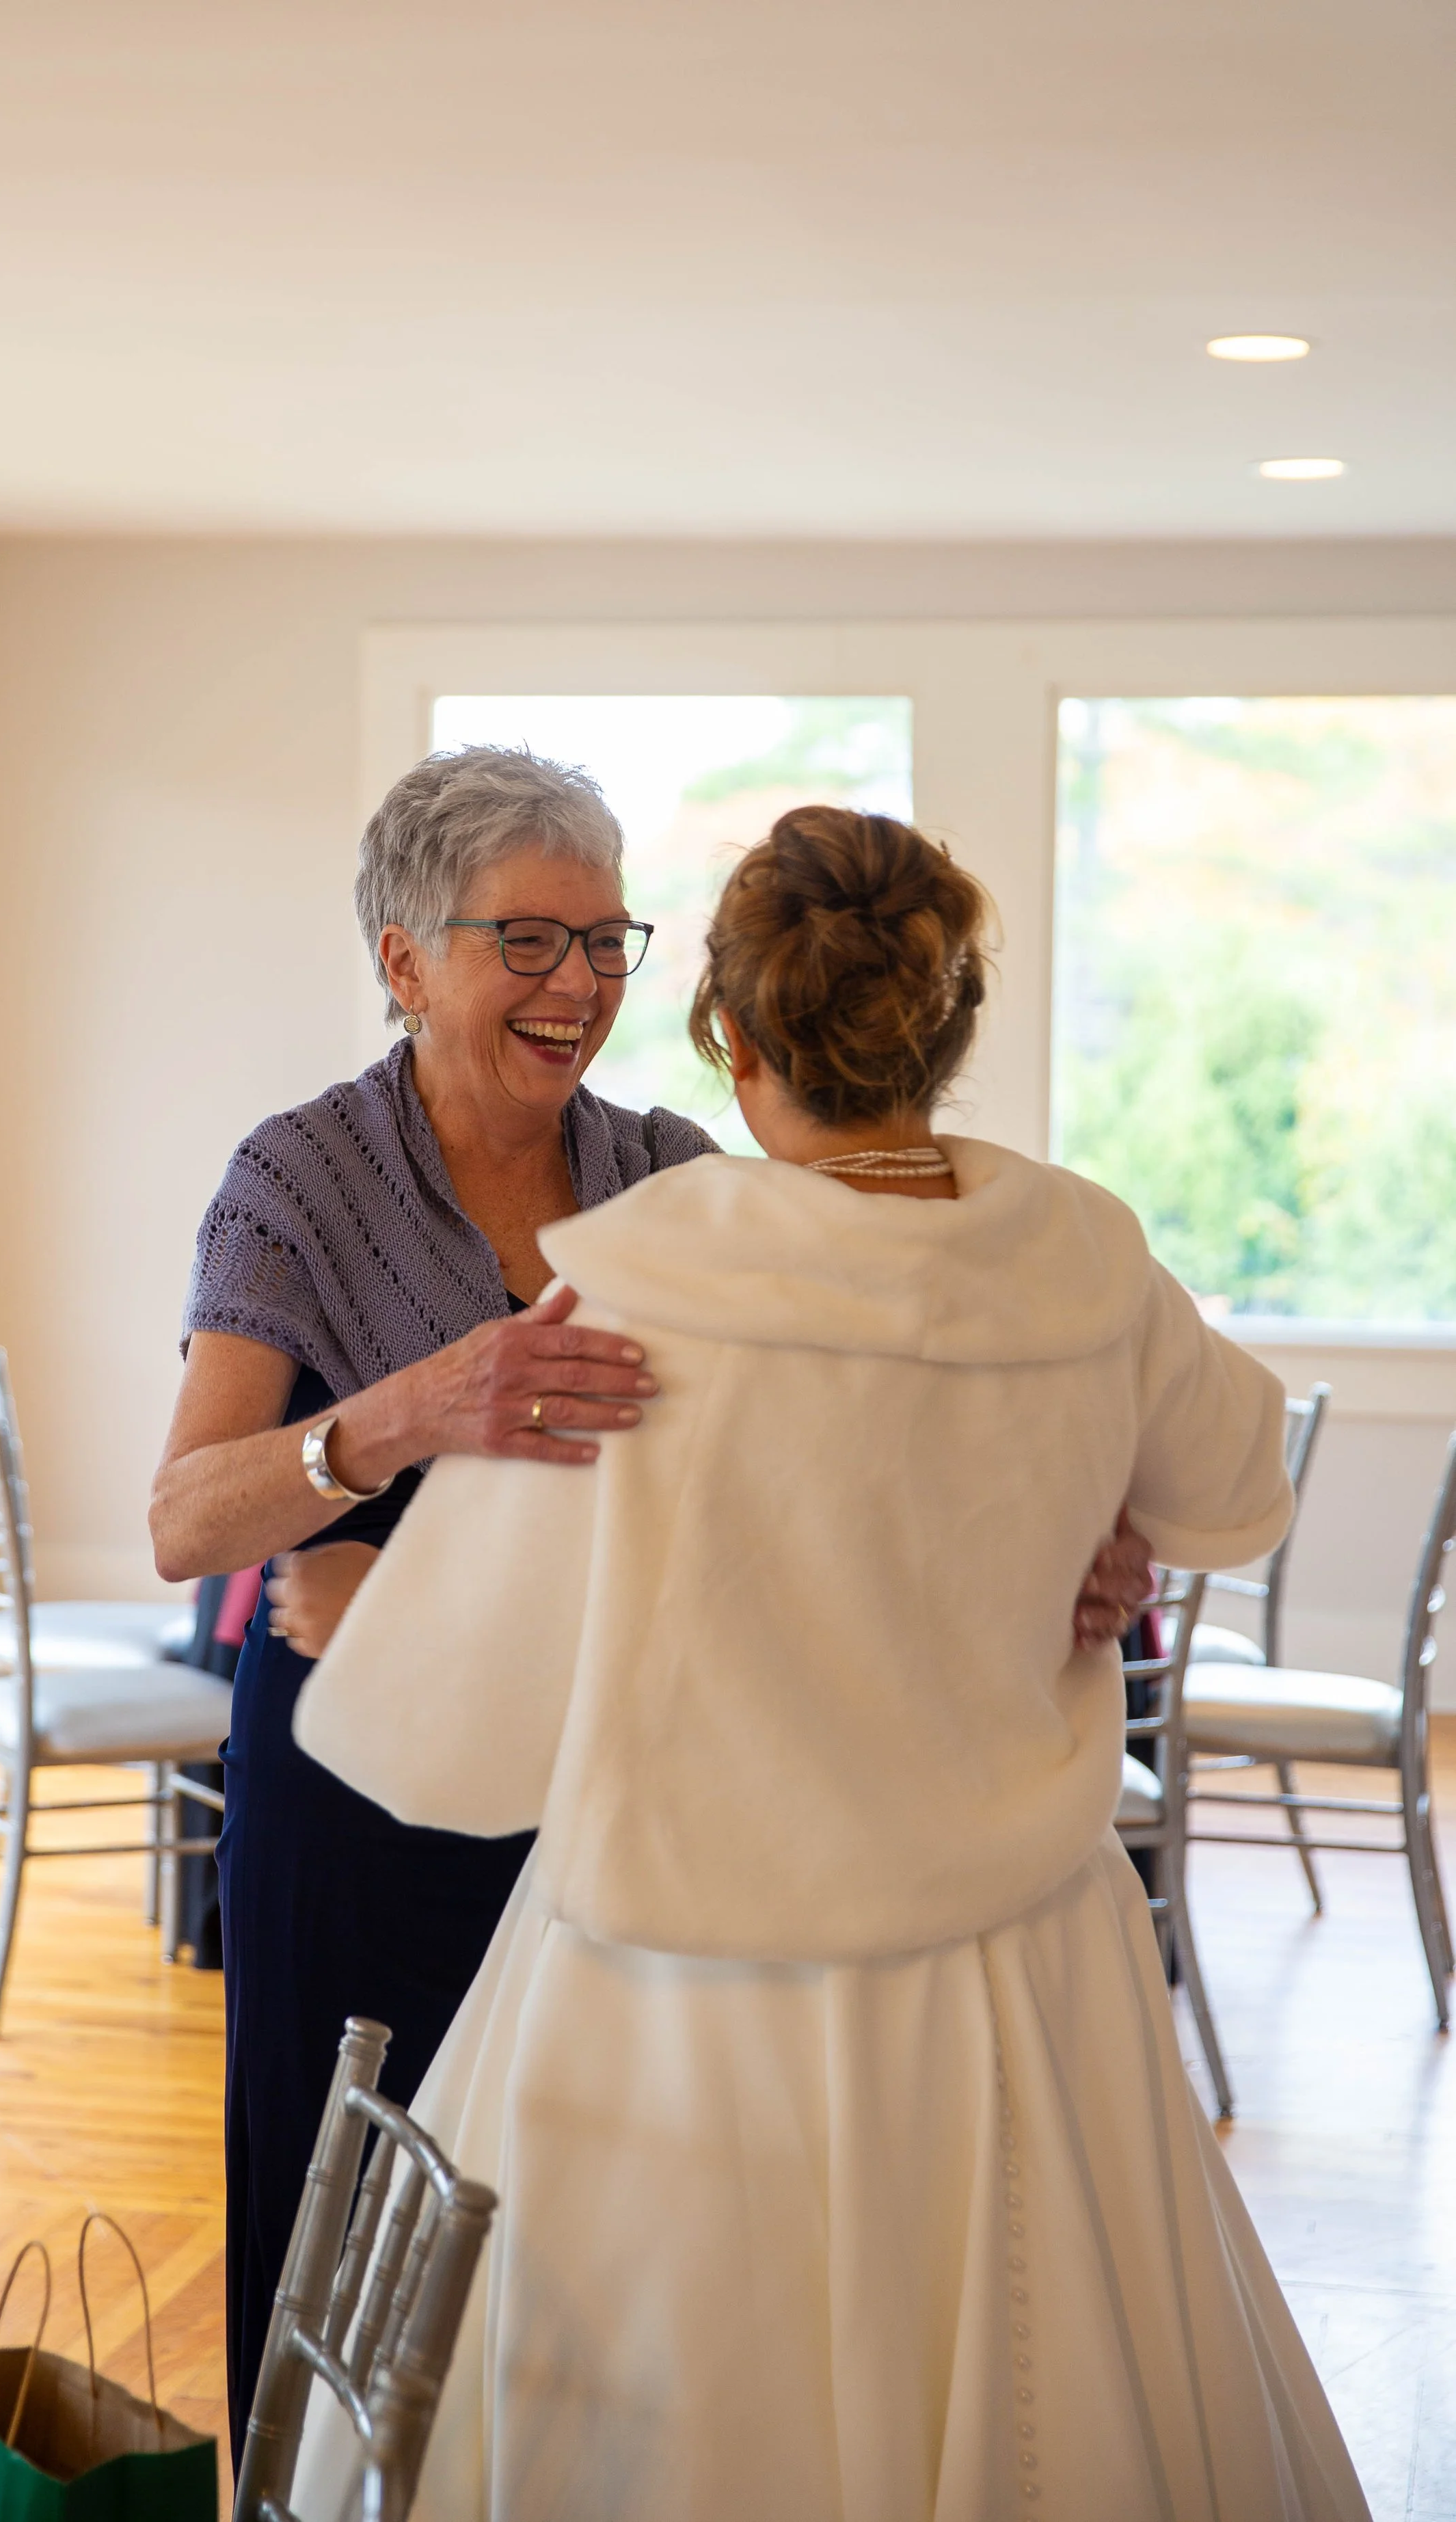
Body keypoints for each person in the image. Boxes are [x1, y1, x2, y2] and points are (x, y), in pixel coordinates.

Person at [291, 807, 1367, 2521]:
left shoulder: (634, 1297)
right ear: (944, 1031)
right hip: (1021, 1977)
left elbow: (454, 1745)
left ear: (725, 1034)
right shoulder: (1085, 1254)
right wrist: (1114, 1524)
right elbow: (1236, 1486)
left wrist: (358, 1619)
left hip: (683, 2001)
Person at [150, 750, 1152, 2463]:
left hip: (619, 1801)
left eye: (608, 940)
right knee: (337, 2224)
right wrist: (401, 1414)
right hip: (355, 1800)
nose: (581, 988)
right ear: (401, 959)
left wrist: (1055, 1540)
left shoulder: (673, 1170)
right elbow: (183, 1515)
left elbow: (860, 1441)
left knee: (577, 2273)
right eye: (528, 942)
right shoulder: (297, 1176)